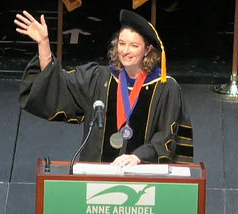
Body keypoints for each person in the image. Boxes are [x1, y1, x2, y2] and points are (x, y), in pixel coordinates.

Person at [14, 9, 193, 166]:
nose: (125, 51)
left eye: (134, 45)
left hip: (145, 182)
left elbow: (168, 137)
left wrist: (138, 156)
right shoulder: (98, 78)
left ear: (147, 50)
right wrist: (43, 44)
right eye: (121, 44)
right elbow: (59, 85)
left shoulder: (165, 88)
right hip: (97, 178)